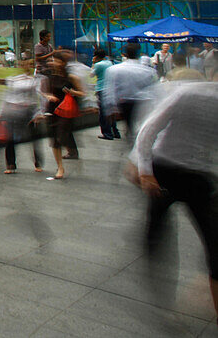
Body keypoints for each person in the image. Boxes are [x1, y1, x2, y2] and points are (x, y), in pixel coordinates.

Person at [127, 81, 218, 322]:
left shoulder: (187, 91)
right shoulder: (189, 93)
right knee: (157, 228)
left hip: (198, 176)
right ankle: (159, 288)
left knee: (212, 240)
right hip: (167, 170)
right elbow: (149, 128)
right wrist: (145, 171)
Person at [105, 42, 160, 143]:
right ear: (139, 54)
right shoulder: (149, 71)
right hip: (144, 103)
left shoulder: (114, 70)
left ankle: (134, 143)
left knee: (131, 127)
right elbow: (154, 89)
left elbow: (110, 90)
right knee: (142, 128)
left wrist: (110, 108)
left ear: (125, 54)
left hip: (125, 103)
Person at [43, 52, 83, 180]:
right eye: (50, 61)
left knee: (61, 136)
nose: (51, 63)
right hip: (53, 109)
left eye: (55, 60)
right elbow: (45, 92)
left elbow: (83, 93)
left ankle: (70, 151)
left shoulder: (71, 77)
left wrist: (72, 92)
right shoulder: (49, 78)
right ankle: (60, 167)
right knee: (55, 140)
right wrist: (48, 96)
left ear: (62, 63)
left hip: (66, 111)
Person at [0, 58, 44, 174]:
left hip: (29, 110)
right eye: (23, 64)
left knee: (34, 138)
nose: (25, 66)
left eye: (29, 64)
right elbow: (8, 96)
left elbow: (37, 97)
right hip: (14, 110)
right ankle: (10, 164)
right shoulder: (14, 80)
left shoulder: (34, 80)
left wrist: (38, 113)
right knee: (9, 138)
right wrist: (3, 112)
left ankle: (37, 162)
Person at [91, 48, 119, 140]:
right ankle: (115, 131)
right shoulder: (109, 63)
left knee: (103, 113)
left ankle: (107, 133)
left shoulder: (98, 65)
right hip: (110, 88)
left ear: (96, 56)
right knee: (110, 111)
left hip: (101, 89)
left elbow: (91, 75)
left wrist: (93, 63)